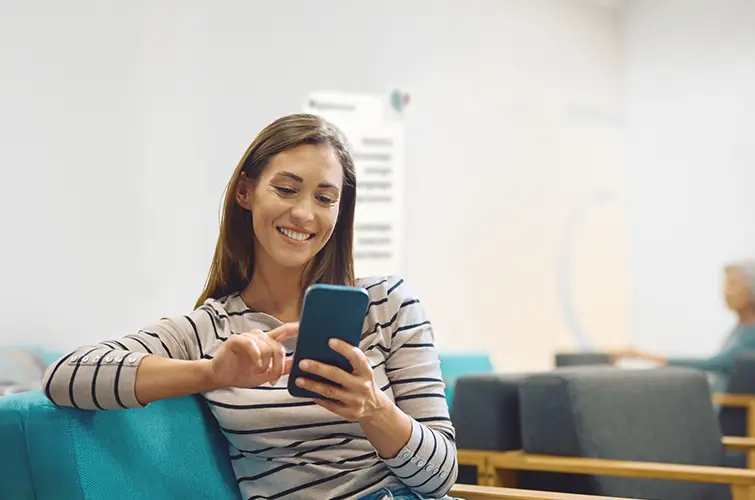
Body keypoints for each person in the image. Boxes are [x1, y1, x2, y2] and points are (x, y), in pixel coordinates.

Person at [42, 114, 458, 500]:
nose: (303, 213)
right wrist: (211, 372)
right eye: (286, 189)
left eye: (325, 198)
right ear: (246, 192)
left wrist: (374, 409)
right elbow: (65, 376)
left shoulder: (389, 304)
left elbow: (441, 478)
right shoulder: (210, 330)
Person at [611, 260, 755, 393]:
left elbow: (716, 363)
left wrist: (645, 356)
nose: (725, 292)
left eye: (732, 284)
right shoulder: (740, 329)